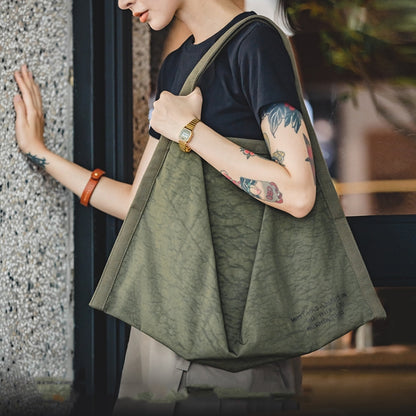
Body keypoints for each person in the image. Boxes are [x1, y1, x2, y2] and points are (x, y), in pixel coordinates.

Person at [13, 0, 316, 414]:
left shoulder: (256, 43)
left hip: (232, 343)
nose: (122, 2)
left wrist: (189, 130)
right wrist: (40, 153)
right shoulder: (176, 67)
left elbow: (298, 192)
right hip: (164, 331)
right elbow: (139, 203)